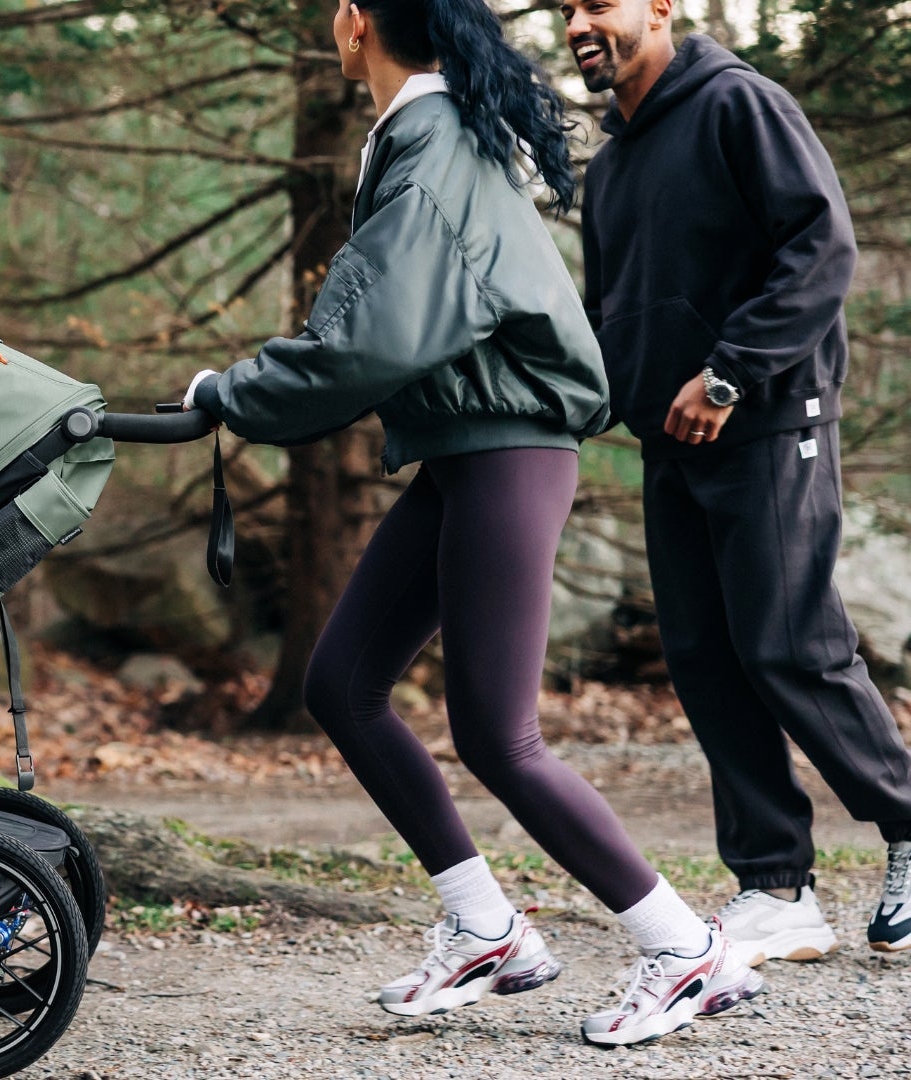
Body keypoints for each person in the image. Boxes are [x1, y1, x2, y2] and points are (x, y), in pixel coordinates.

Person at [179, 0, 761, 1047]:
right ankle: (486, 927)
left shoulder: (433, 138)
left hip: (508, 448)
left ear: (356, 22)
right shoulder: (423, 132)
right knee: (341, 681)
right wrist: (245, 392)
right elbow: (387, 323)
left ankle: (686, 952)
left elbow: (370, 337)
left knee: (498, 732)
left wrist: (234, 392)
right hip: (467, 449)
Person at [566, 0, 911, 962]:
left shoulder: (739, 104)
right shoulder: (617, 159)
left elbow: (821, 248)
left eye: (600, 4)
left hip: (766, 417)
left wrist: (729, 372)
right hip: (671, 440)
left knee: (790, 643)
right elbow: (614, 311)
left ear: (659, 9)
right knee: (706, 656)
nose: (581, 24)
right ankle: (776, 887)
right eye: (566, 10)